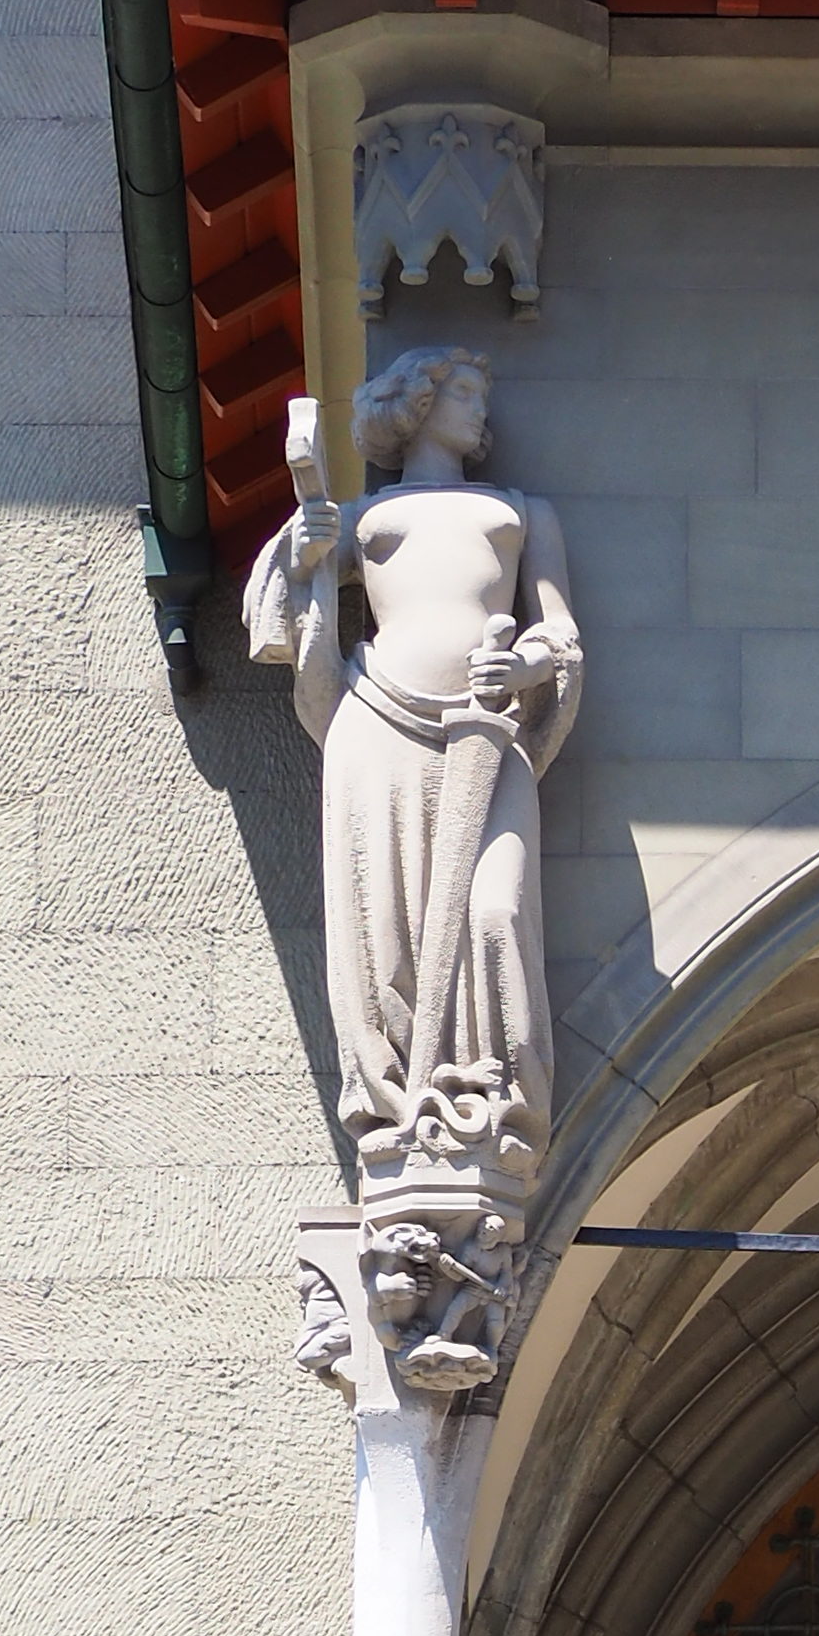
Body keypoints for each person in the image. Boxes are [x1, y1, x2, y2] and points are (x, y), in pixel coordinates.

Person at [243, 345, 581, 1232]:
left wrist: (522, 664)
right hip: (380, 724)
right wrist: (308, 555)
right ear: (418, 405)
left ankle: (497, 1098)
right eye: (466, 393)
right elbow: (284, 608)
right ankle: (404, 1099)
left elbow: (564, 638)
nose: (482, 413)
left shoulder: (517, 512)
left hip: (486, 727)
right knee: (385, 924)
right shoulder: (364, 517)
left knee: (495, 912)